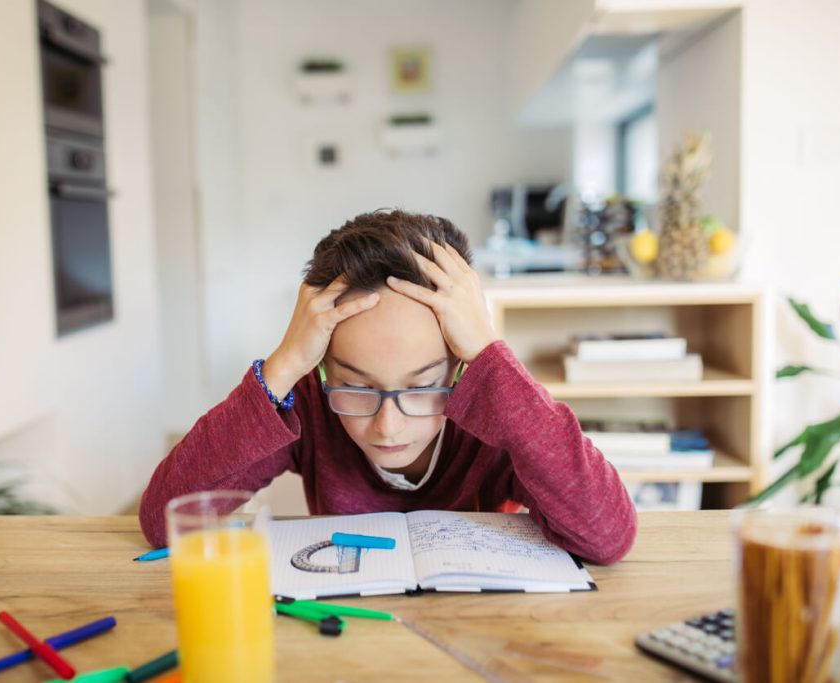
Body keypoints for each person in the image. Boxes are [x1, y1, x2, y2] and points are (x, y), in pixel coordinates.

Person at [139, 209, 637, 564]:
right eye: (356, 387)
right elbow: (164, 523)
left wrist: (491, 358)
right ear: (324, 370)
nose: (388, 425)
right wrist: (282, 367)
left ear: (459, 369)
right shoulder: (310, 400)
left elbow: (607, 536)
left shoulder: (498, 405)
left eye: (423, 387)